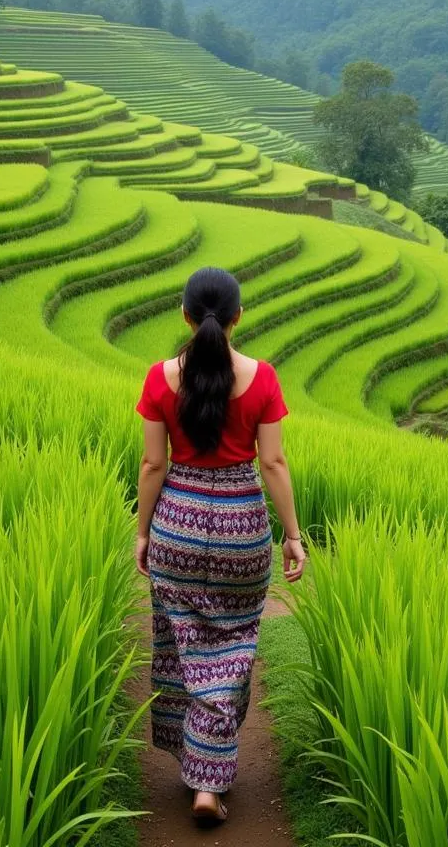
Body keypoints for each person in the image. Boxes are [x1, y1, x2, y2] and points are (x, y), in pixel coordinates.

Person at [134, 266, 307, 824]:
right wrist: (293, 536)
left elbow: (153, 463)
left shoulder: (160, 378)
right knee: (229, 651)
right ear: (238, 317)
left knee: (182, 645)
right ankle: (210, 782)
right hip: (241, 531)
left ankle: (197, 771)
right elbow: (273, 462)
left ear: (184, 315)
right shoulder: (262, 377)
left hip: (177, 524)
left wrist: (142, 532)